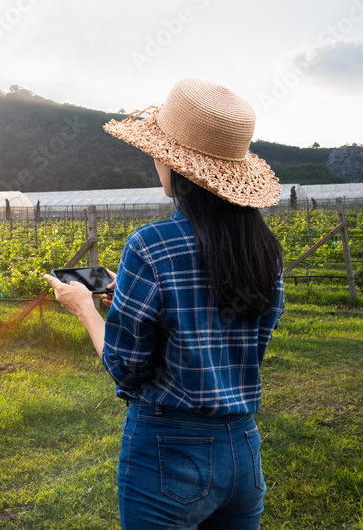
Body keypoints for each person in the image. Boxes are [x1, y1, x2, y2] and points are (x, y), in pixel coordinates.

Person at [44, 78, 285, 529]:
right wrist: (133, 293)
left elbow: (126, 367)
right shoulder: (263, 251)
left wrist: (86, 309)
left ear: (176, 164)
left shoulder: (151, 246)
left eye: (160, 151)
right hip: (243, 450)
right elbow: (243, 342)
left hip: (168, 450)